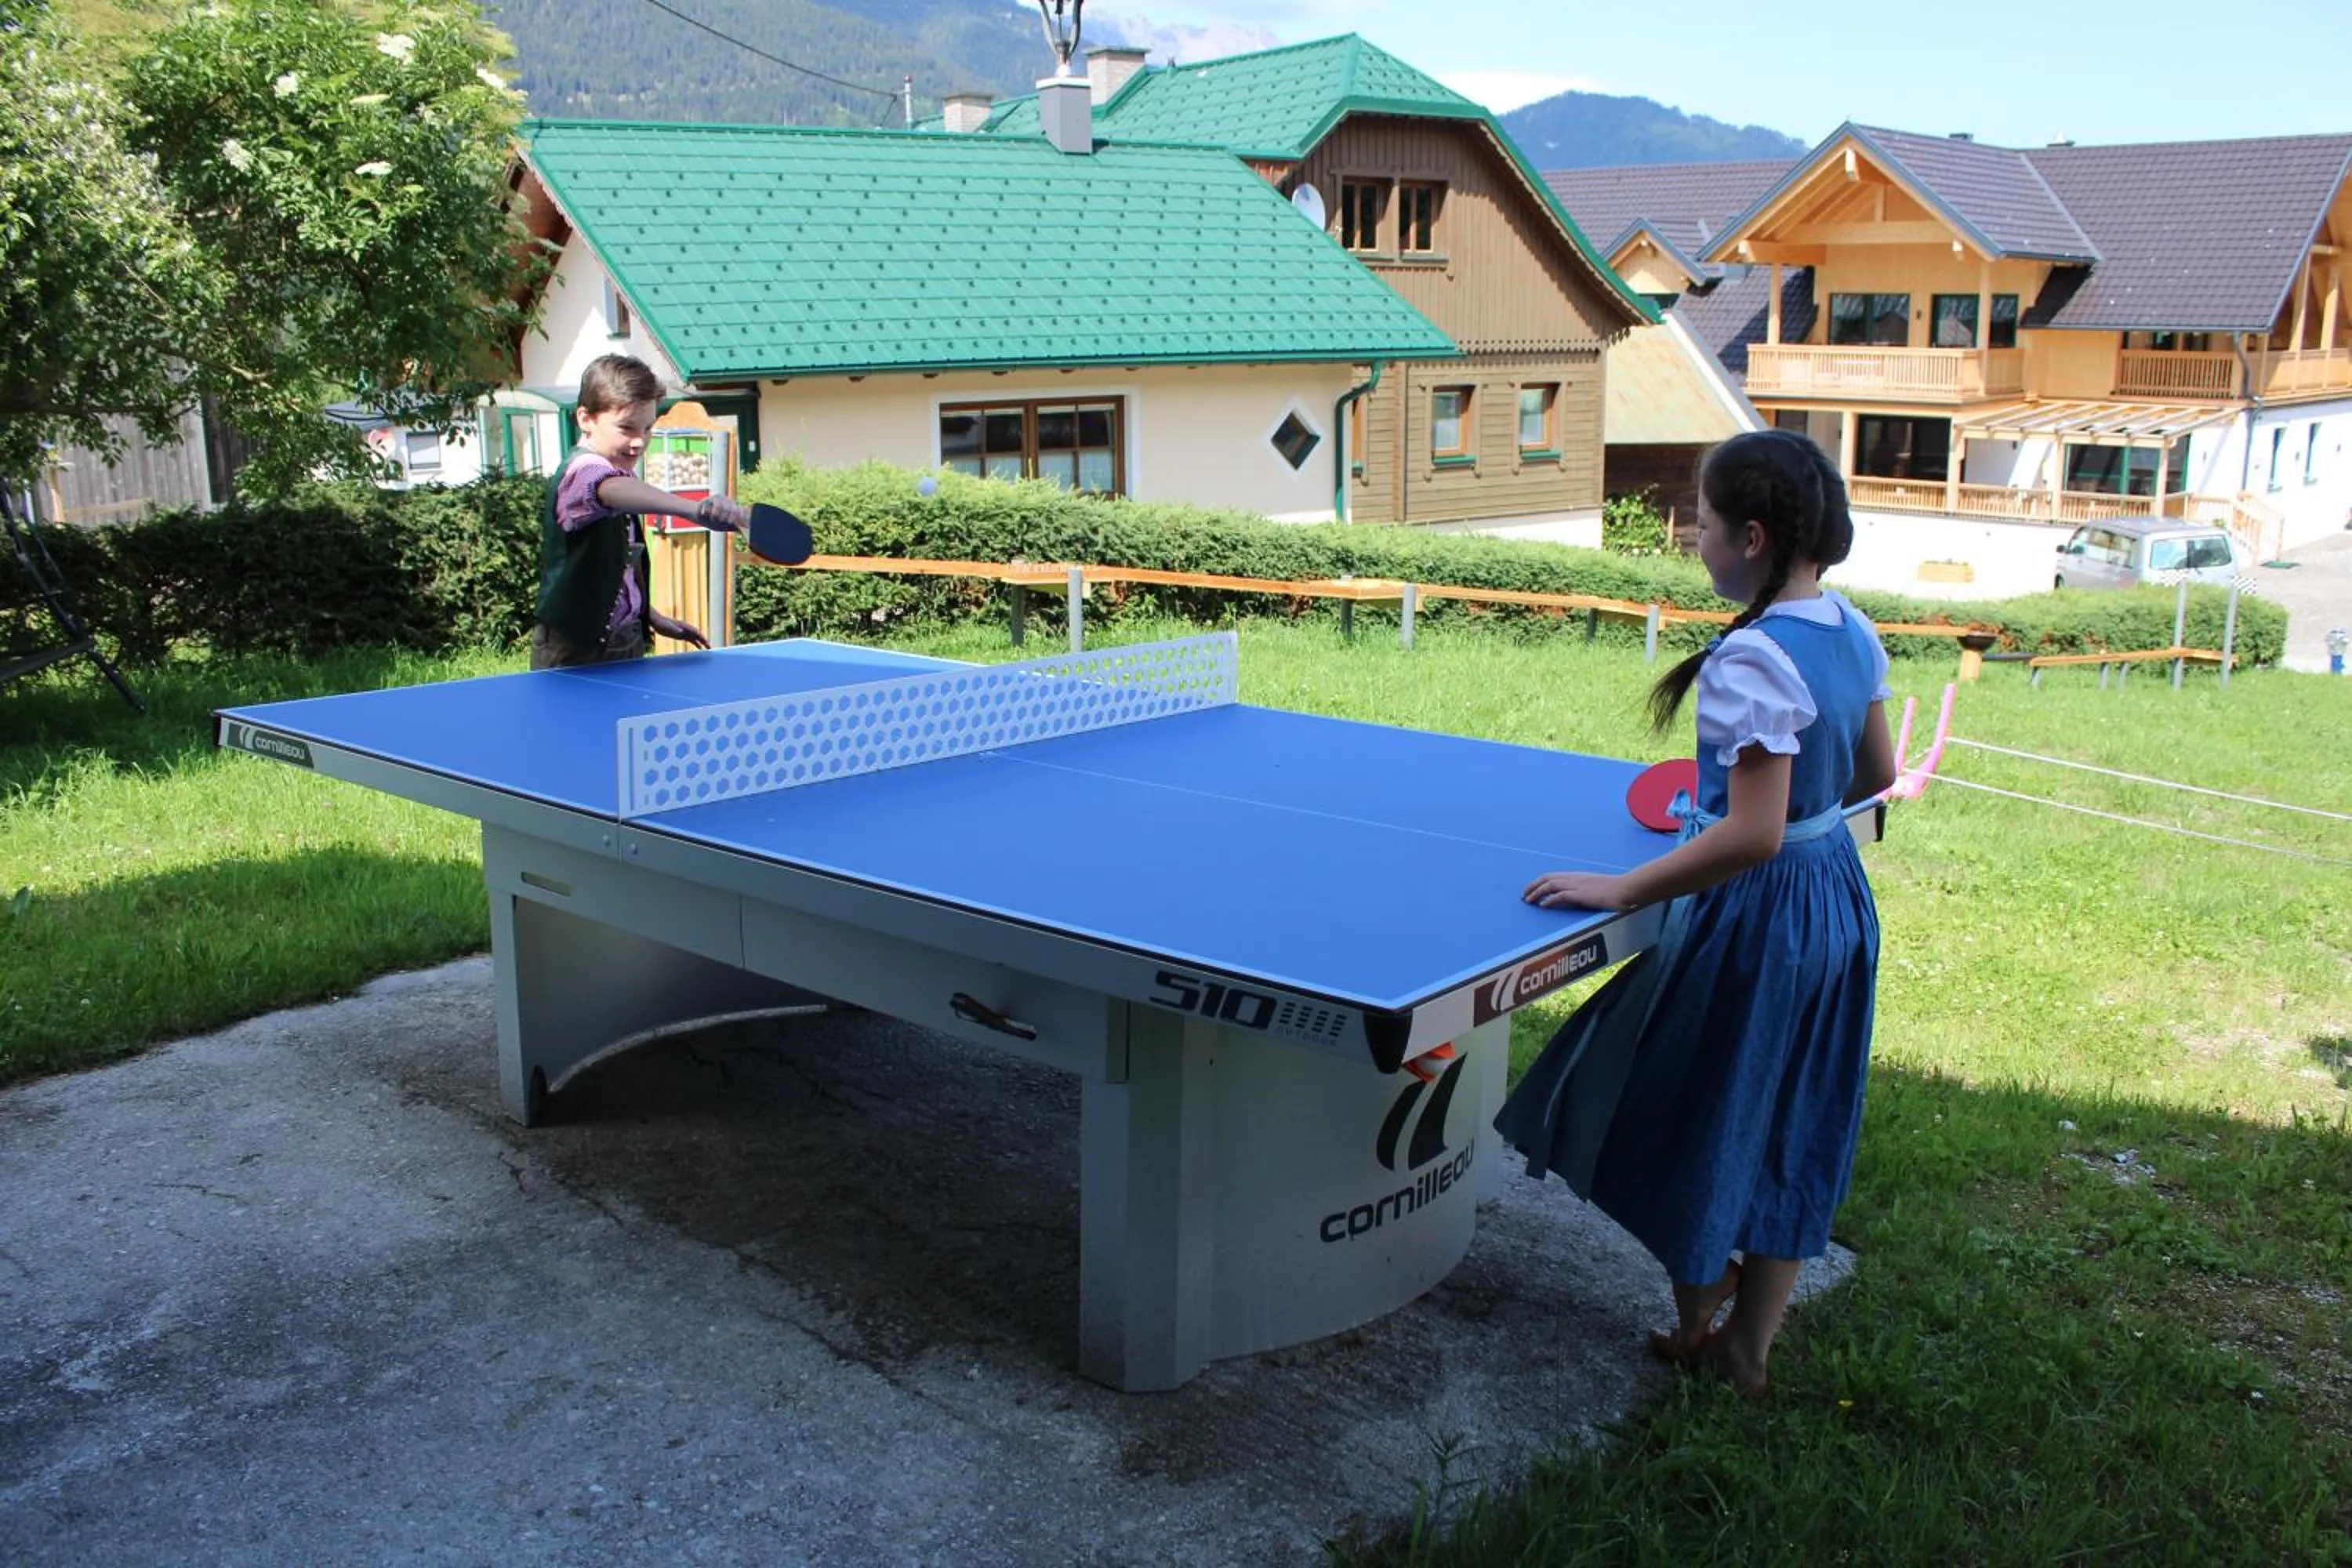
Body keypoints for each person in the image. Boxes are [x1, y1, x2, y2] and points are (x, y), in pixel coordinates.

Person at [1494, 430, 1898, 1398]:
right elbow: (1877, 777)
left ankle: (1695, 1307)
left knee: (1693, 1105)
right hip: (1837, 901)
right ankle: (1747, 1351)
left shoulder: (1751, 659)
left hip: (1754, 919)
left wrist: (1627, 886)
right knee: (1794, 1114)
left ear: (1752, 537)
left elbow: (1753, 836)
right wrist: (1783, 809)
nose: (1698, 540)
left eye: (1705, 525)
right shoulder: (1851, 626)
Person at [531, 354, 750, 670]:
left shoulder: (623, 473)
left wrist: (649, 615)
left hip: (626, 640)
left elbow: (618, 566)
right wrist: (696, 510)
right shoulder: (582, 471)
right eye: (626, 428)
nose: (639, 442)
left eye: (648, 428)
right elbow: (608, 488)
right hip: (575, 652)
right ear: (585, 419)